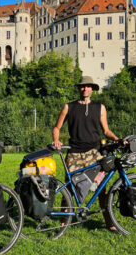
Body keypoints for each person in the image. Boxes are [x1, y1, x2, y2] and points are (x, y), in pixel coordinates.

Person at [52, 75, 121, 232]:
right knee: (68, 190)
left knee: (101, 189)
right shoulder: (68, 107)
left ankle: (109, 223)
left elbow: (106, 130)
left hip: (95, 154)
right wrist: (56, 140)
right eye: (82, 86)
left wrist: (117, 139)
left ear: (92, 89)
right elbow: (56, 128)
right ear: (79, 88)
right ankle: (64, 223)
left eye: (88, 86)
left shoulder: (100, 107)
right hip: (74, 153)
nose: (85, 89)